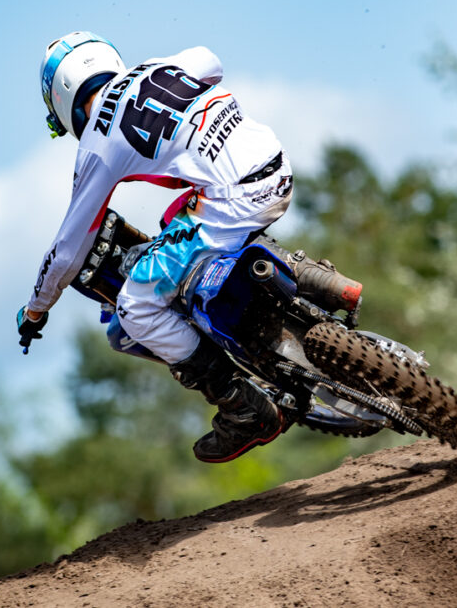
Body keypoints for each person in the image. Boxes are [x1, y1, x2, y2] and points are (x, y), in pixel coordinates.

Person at [17, 31, 293, 462]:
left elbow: (68, 250)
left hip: (233, 203)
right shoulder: (161, 67)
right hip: (277, 168)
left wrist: (36, 309)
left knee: (135, 307)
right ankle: (305, 280)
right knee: (176, 217)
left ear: (62, 100)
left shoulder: (97, 143)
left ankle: (243, 407)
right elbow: (210, 59)